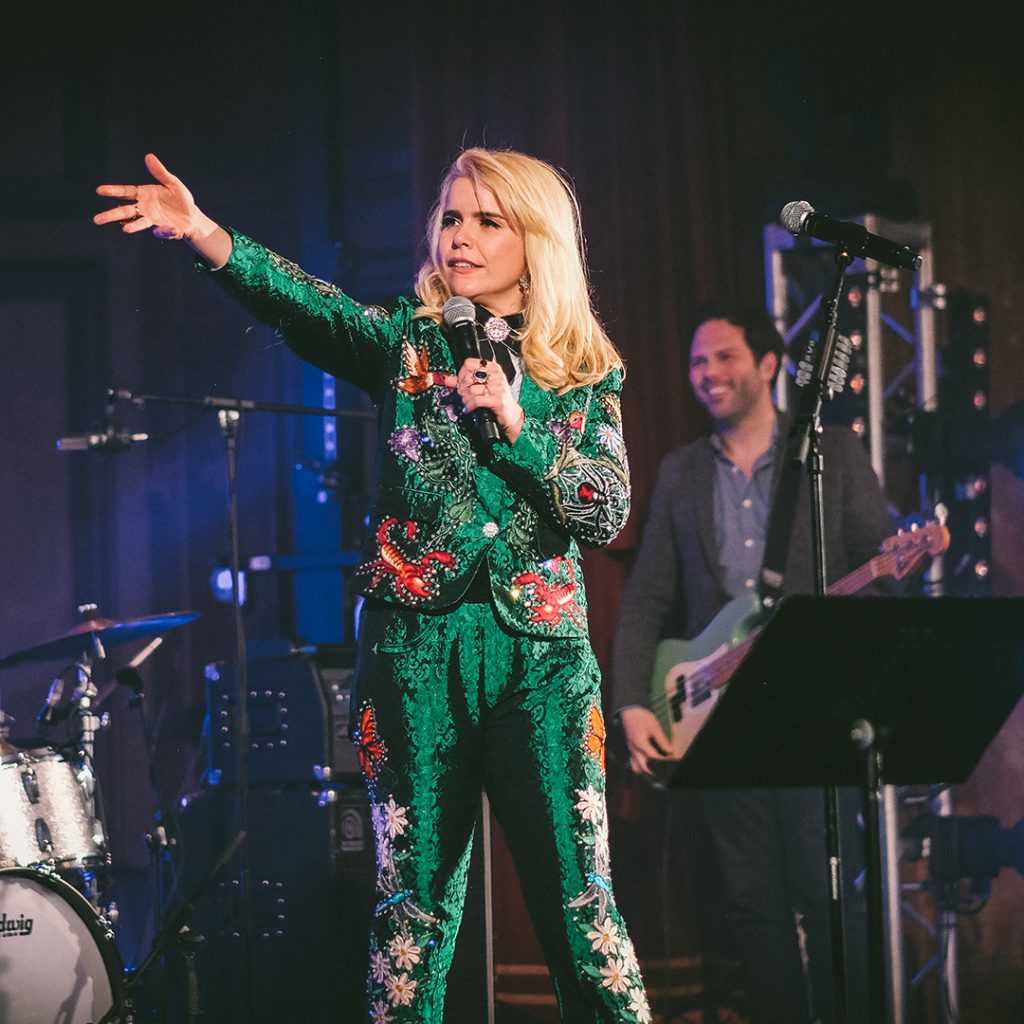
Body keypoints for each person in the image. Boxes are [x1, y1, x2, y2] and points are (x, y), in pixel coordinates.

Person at [95, 149, 651, 1024]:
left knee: (583, 911)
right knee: (414, 916)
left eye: (487, 221)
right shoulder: (407, 340)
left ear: (536, 239)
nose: (460, 236)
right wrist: (206, 234)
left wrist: (518, 426)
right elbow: (309, 307)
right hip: (414, 653)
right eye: (452, 216)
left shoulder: (583, 369)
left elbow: (608, 508)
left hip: (541, 662)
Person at [611, 301, 894, 1024]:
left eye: (725, 357)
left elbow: (881, 568)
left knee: (828, 895)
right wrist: (635, 702)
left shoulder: (832, 454)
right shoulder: (679, 474)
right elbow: (646, 597)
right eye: (698, 362)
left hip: (811, 711)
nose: (708, 374)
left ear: (768, 364)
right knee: (751, 907)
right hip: (716, 719)